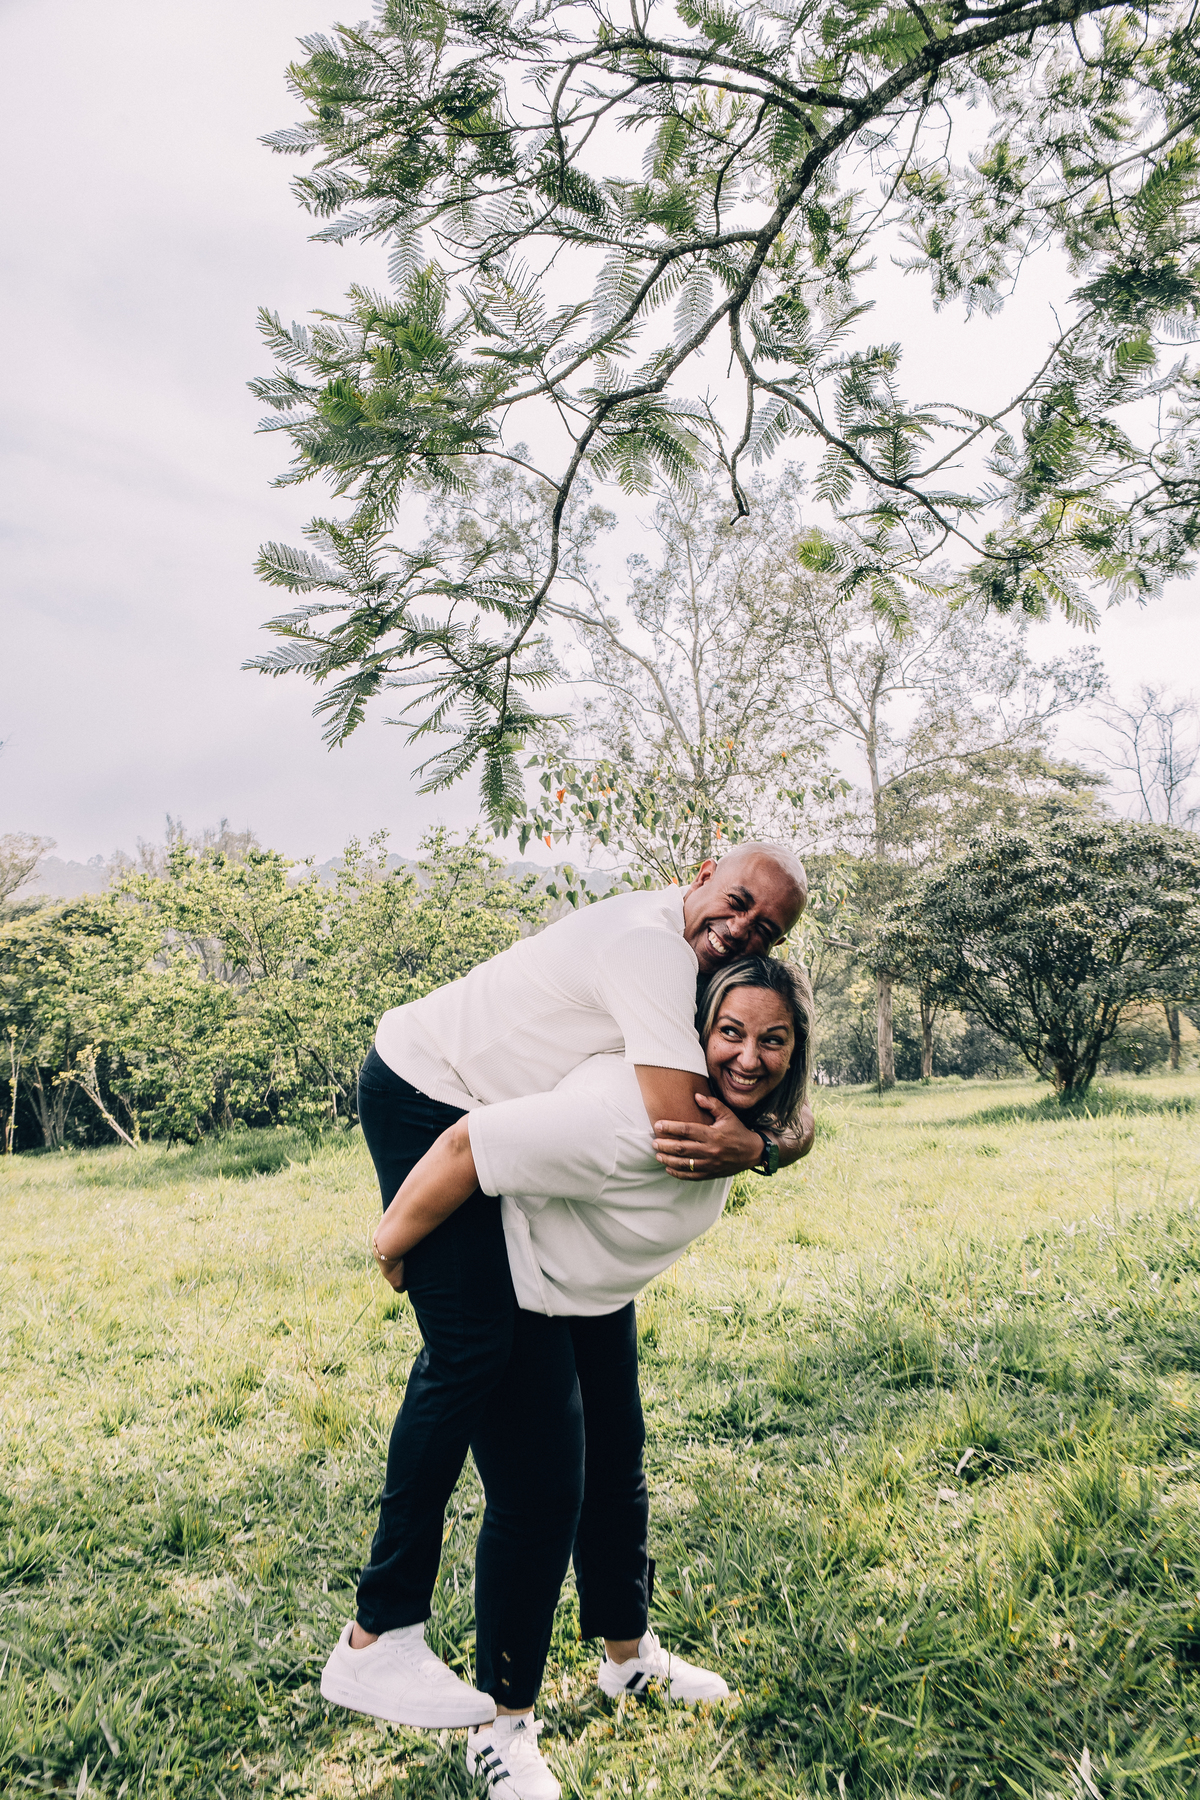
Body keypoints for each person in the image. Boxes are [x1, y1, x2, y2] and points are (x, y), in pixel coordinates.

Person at [319, 848, 812, 1737]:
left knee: (615, 1443)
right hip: (431, 1099)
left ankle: (627, 1654)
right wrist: (394, 1241)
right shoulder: (649, 956)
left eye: (767, 928)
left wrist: (775, 1140)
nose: (742, 929)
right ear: (702, 872)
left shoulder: (689, 969)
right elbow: (678, 1126)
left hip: (518, 1163)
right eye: (738, 902)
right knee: (482, 1371)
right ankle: (379, 1637)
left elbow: (768, 1085)